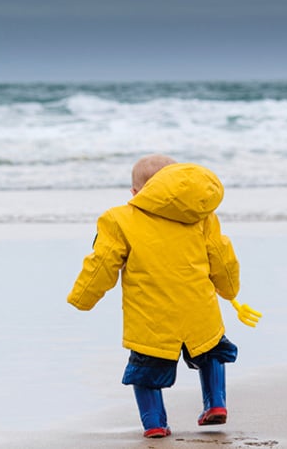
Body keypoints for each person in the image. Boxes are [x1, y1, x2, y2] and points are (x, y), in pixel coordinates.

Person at [67, 154, 240, 439]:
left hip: (151, 318)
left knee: (146, 371)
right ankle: (216, 403)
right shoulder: (201, 216)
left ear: (135, 192)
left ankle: (155, 423)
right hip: (199, 311)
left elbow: (102, 263)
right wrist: (229, 289)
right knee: (211, 353)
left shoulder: (119, 219)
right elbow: (222, 257)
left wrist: (83, 297)